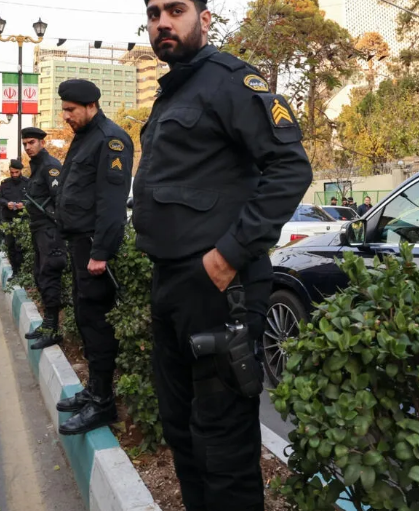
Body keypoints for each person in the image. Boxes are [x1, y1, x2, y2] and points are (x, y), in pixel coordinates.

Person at [133, 1, 313, 509]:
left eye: (175, 10)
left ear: (205, 19)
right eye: (153, 14)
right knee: (181, 430)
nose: (162, 23)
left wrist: (229, 254)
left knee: (223, 443)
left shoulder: (231, 81)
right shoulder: (174, 90)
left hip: (220, 288)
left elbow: (290, 169)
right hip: (172, 285)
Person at [53, 78, 133, 436]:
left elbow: (112, 203)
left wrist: (100, 252)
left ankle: (103, 403)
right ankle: (93, 390)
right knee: (85, 318)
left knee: (97, 322)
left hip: (93, 247)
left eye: (70, 110)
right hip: (79, 244)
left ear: (90, 105)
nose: (65, 116)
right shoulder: (84, 137)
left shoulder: (110, 139)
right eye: (64, 109)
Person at [19, 127, 67, 350]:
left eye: (32, 142)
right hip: (39, 229)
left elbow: (61, 199)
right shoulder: (37, 167)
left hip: (50, 230)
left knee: (49, 276)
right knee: (40, 275)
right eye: (25, 144)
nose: (28, 147)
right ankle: (47, 324)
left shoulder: (50, 166)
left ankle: (53, 330)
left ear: (42, 142)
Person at [0, 160, 29, 276]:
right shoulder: (5, 184)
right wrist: (6, 203)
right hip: (8, 219)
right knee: (11, 246)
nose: (14, 175)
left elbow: (34, 198)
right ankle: (15, 272)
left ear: (20, 171)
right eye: (12, 172)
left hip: (22, 220)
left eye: (16, 172)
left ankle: (22, 272)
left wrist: (24, 204)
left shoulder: (27, 183)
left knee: (20, 246)